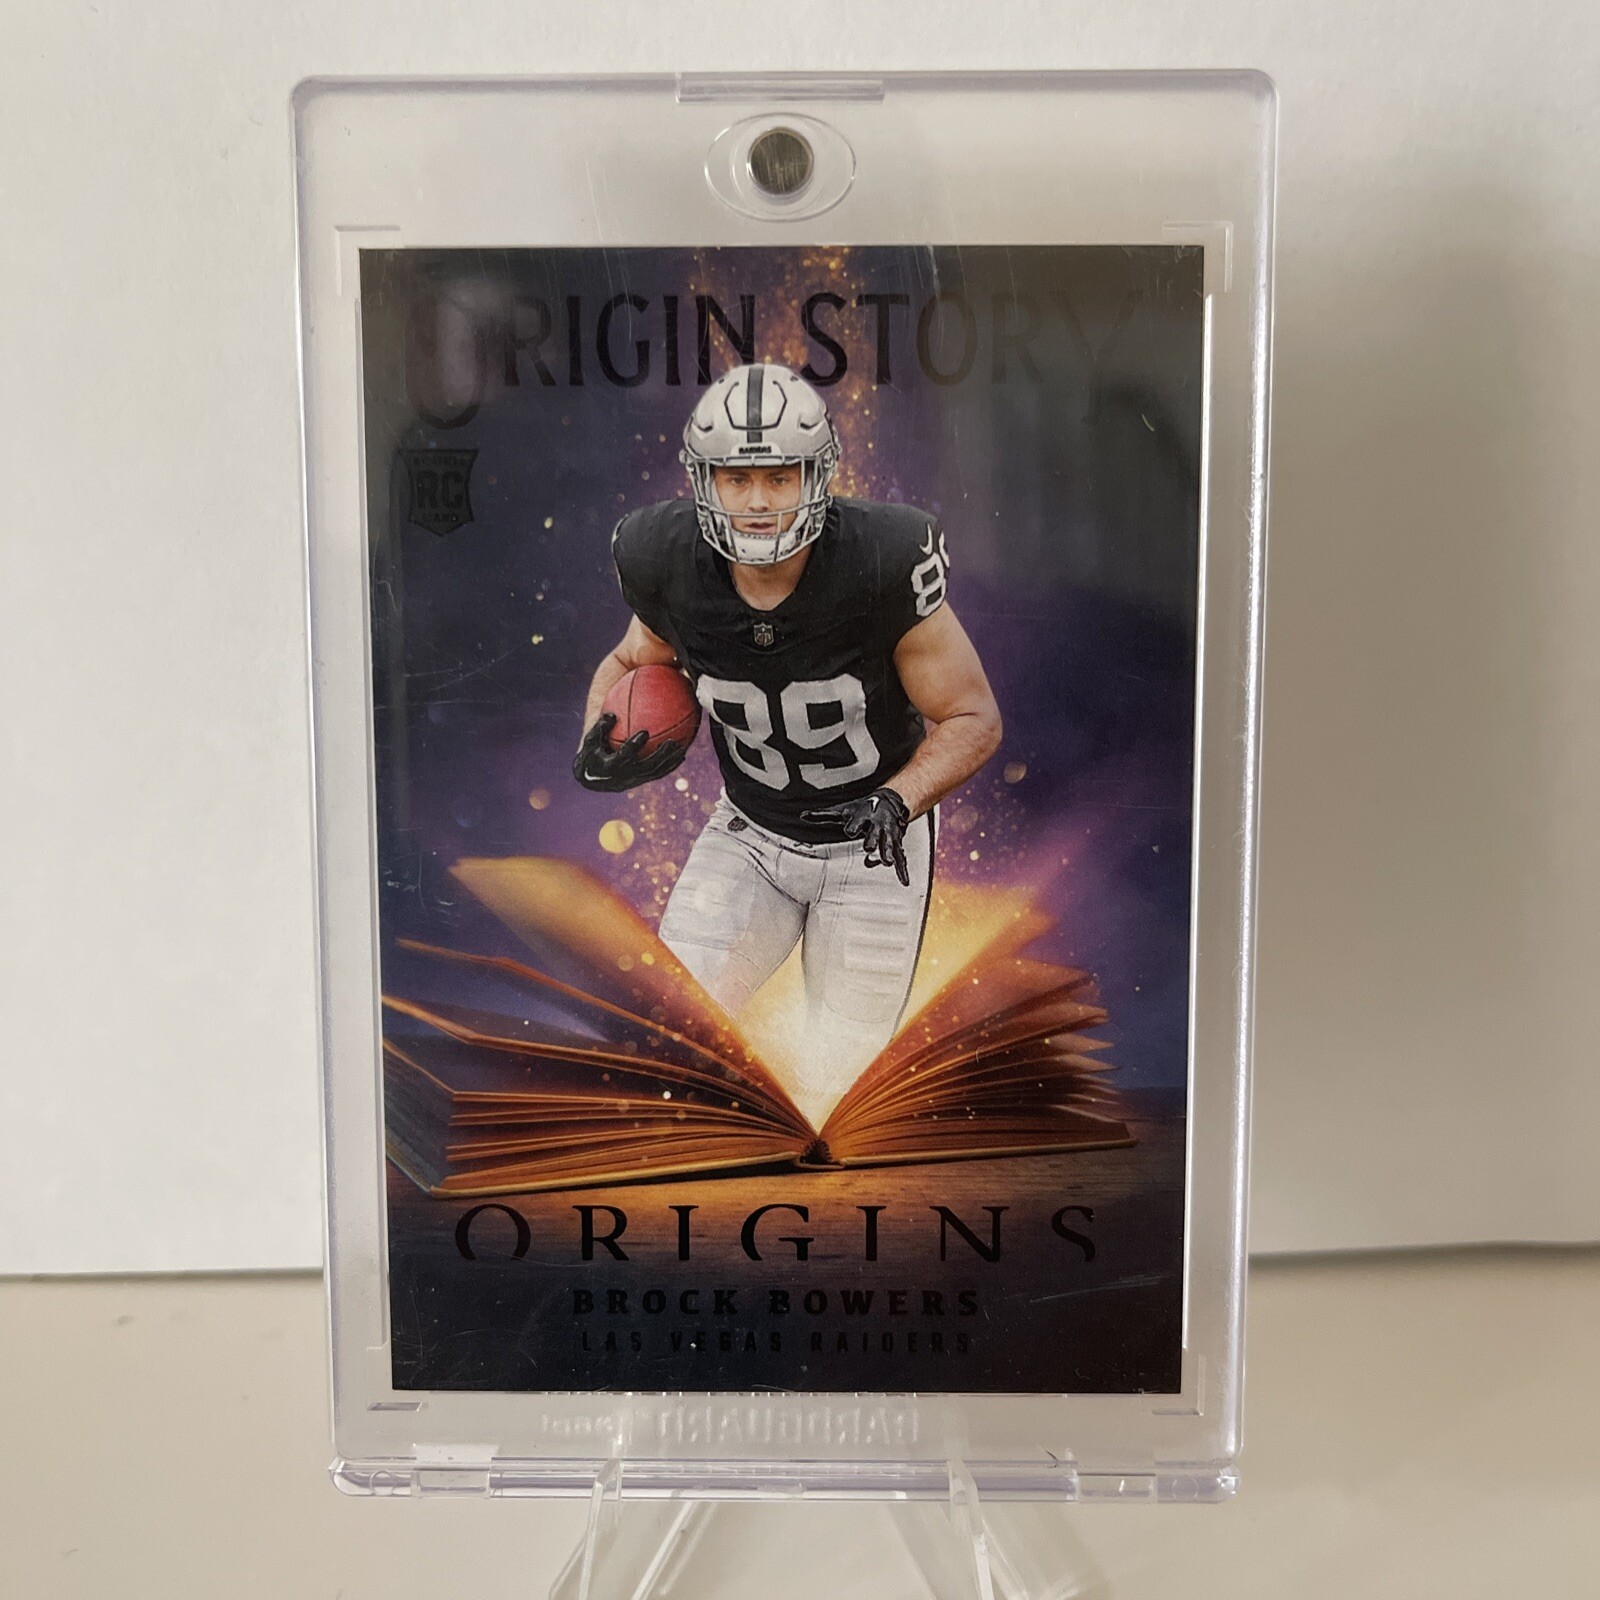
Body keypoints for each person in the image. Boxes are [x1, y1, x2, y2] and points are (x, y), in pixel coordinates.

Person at [574, 363, 1001, 1124]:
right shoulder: (665, 558)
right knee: (664, 1045)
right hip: (750, 832)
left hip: (872, 845)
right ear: (703, 480)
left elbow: (973, 718)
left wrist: (897, 800)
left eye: (780, 476)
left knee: (835, 1105)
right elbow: (631, 662)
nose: (759, 501)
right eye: (737, 478)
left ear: (819, 475)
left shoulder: (881, 559)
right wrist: (596, 737)